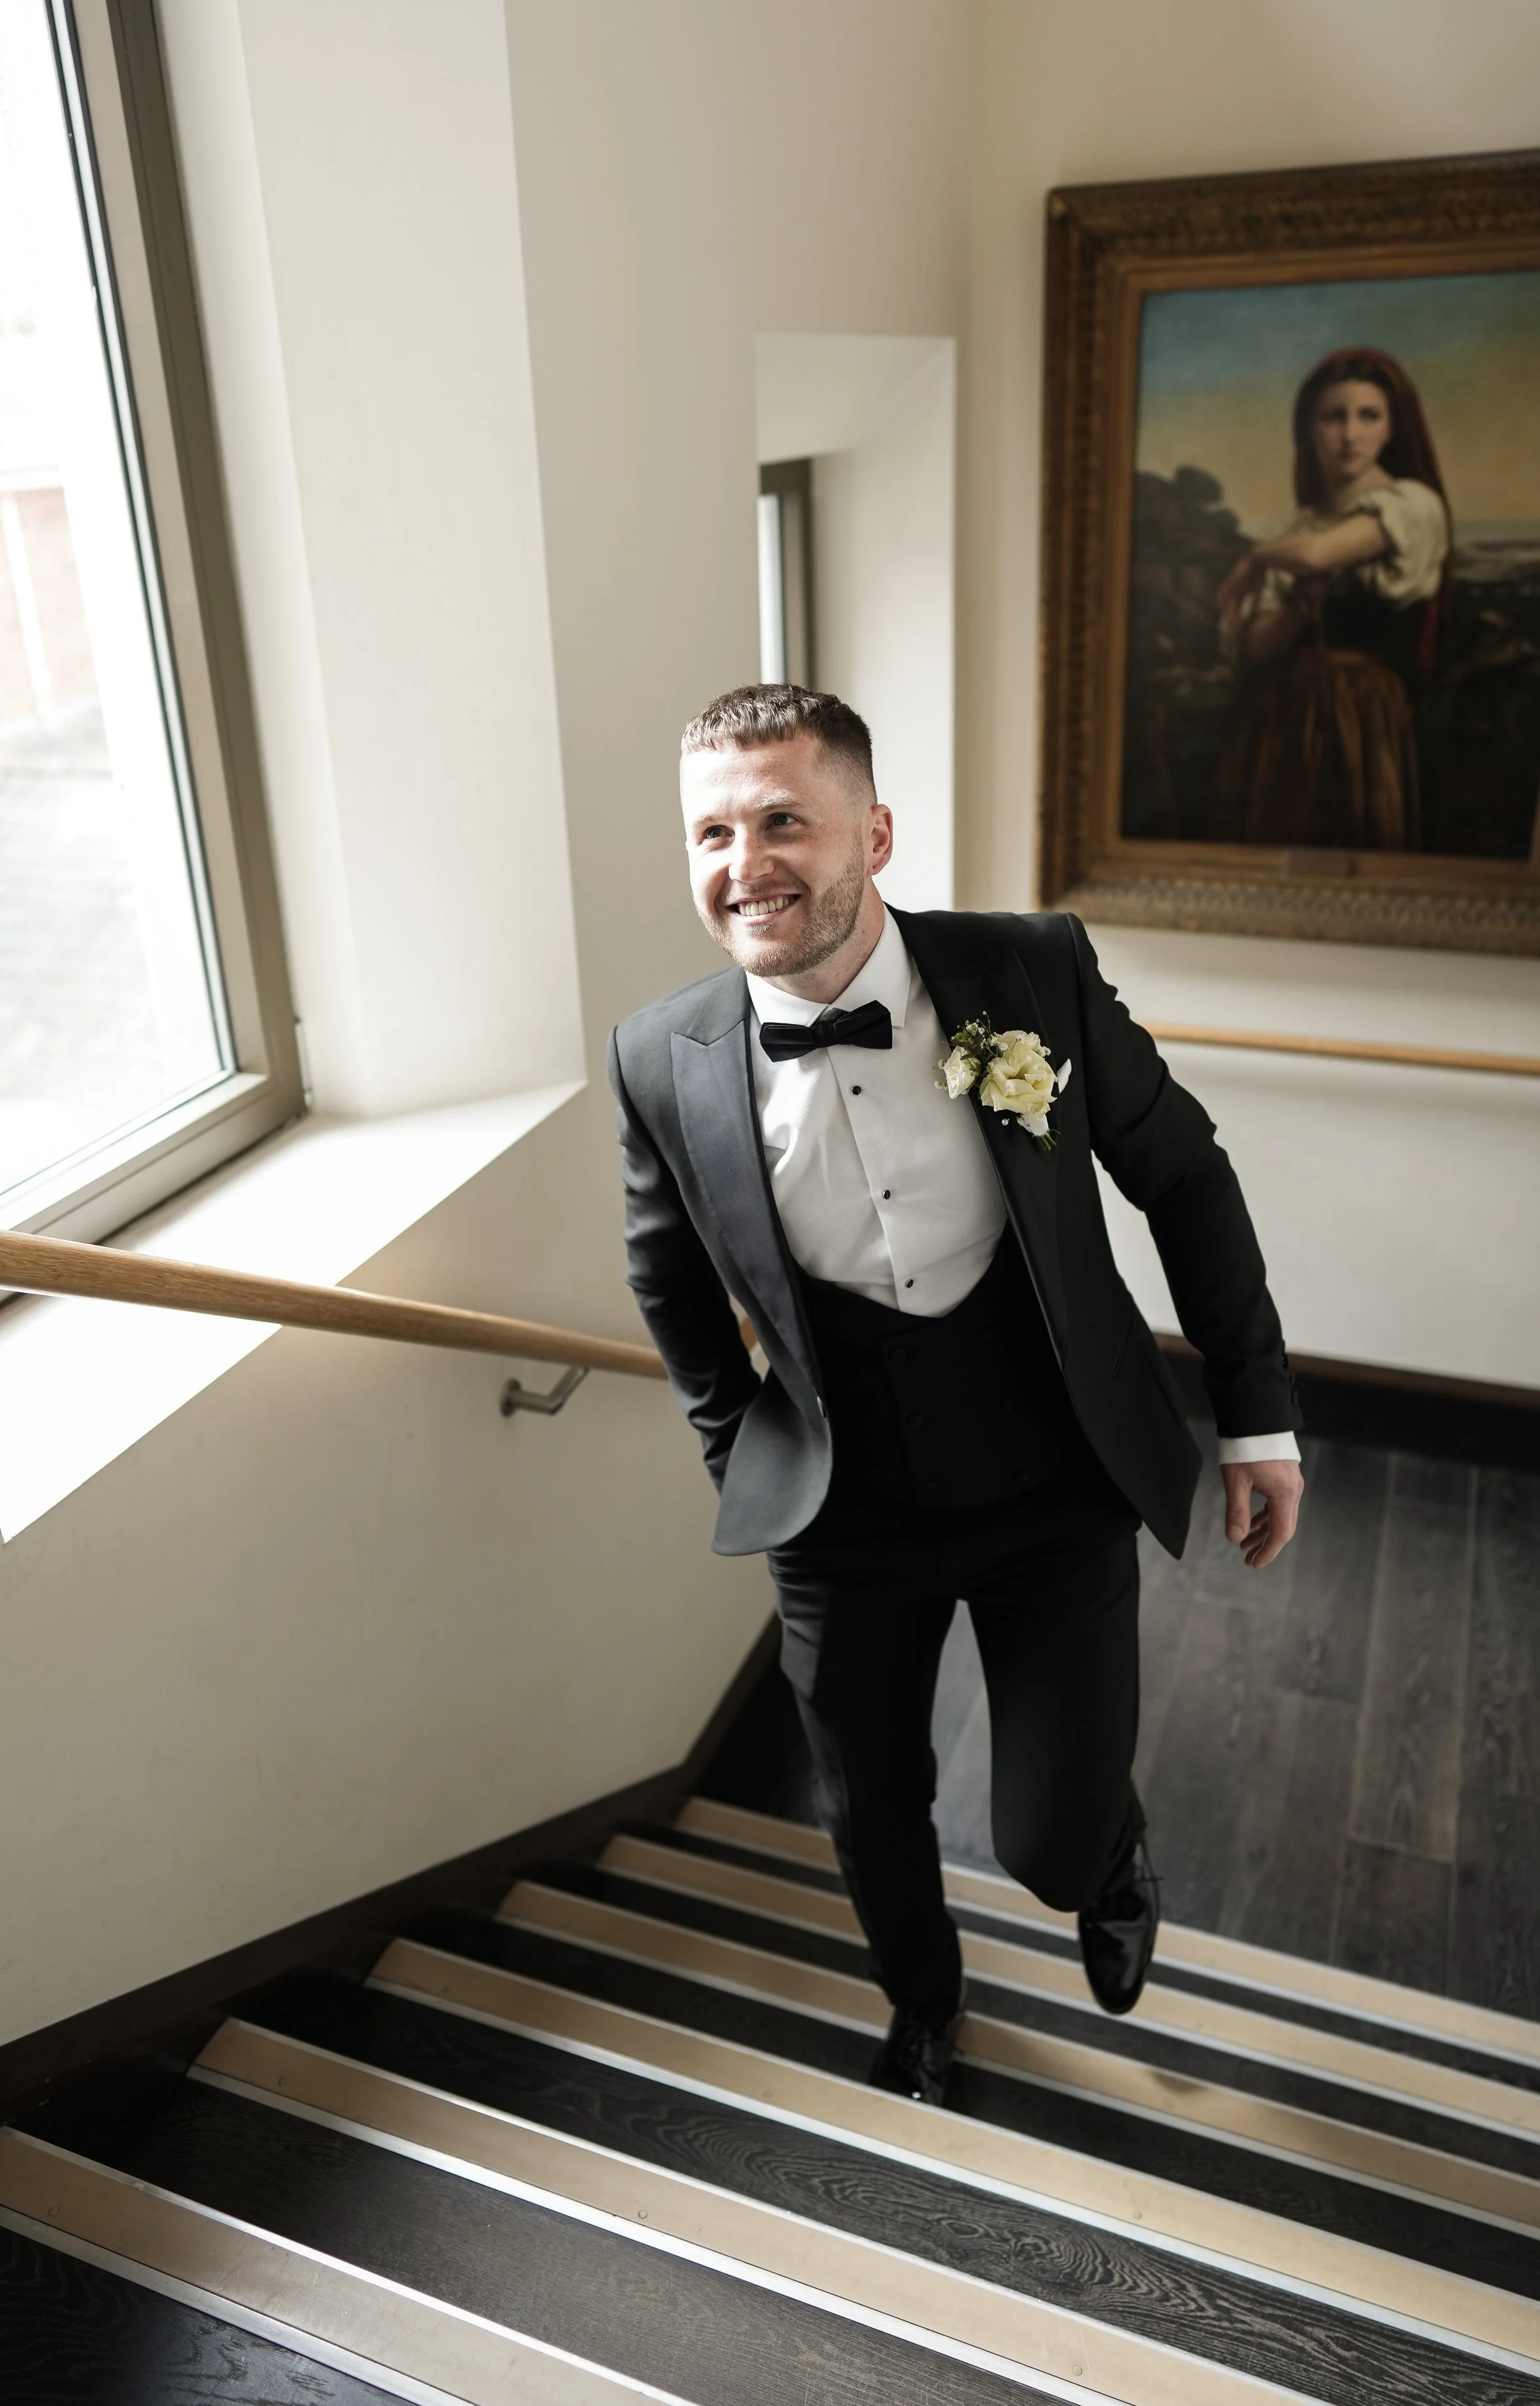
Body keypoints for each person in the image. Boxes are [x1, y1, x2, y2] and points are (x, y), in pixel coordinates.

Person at [608, 685, 1303, 2106]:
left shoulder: (1026, 972)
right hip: (837, 1509)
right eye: (711, 832)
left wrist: (1255, 1415)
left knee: (1044, 1840)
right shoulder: (657, 1057)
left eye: (783, 820)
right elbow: (666, 1279)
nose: (746, 864)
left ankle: (1101, 1855)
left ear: (872, 830)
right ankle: (924, 2006)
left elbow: (1183, 1176)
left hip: (1052, 1478)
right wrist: (738, 1448)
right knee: (867, 1812)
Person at [1215, 346, 1451, 852]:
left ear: (1391, 428)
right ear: (1309, 429)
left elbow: (1320, 555)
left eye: (1369, 416)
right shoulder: (1294, 529)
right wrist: (1302, 608)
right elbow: (1258, 645)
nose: (1350, 434)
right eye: (1332, 417)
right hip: (1281, 719)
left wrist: (1257, 558)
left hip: (1362, 716)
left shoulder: (1411, 506)